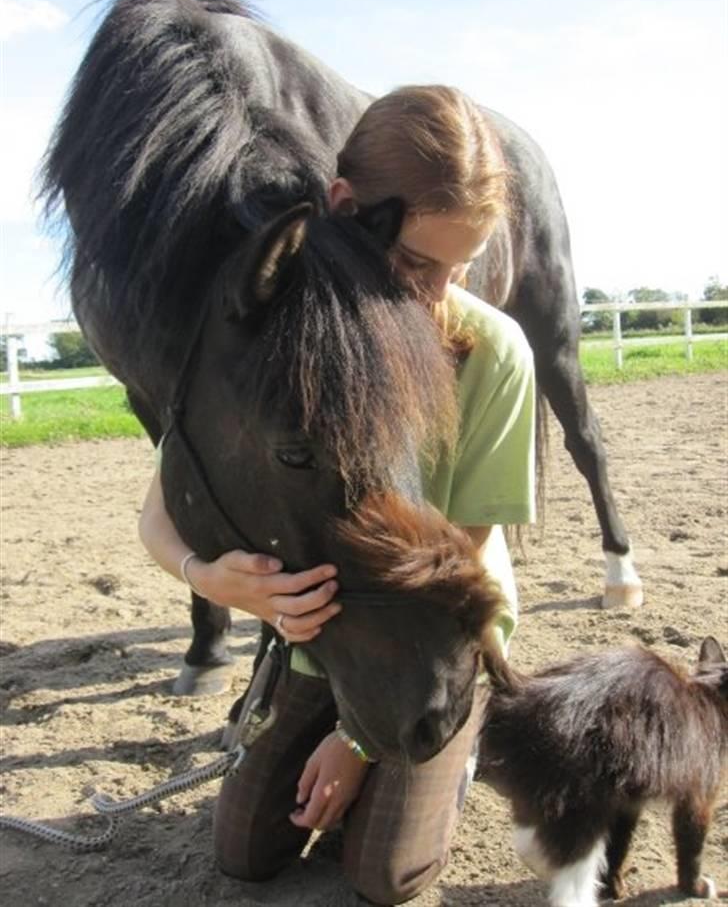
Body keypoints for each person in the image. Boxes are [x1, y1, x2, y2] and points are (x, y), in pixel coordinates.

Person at [138, 85, 536, 905]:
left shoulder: (492, 351)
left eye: (461, 268)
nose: (438, 294)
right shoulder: (287, 334)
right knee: (245, 852)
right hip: (327, 637)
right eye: (418, 263)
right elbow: (161, 509)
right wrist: (209, 579)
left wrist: (356, 744)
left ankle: (457, 744)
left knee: (385, 875)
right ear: (348, 208)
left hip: (432, 637)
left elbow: (453, 564)